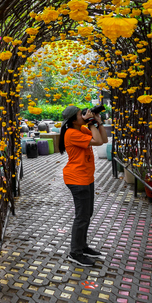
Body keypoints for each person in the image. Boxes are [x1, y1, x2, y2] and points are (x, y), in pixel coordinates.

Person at [59, 105, 108, 267]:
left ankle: (82, 246)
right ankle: (75, 252)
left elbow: (104, 140)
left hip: (86, 178)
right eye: (82, 114)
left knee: (87, 214)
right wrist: (91, 123)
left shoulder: (81, 130)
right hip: (77, 179)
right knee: (82, 216)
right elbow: (98, 141)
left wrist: (98, 122)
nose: (85, 115)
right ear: (74, 119)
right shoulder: (72, 133)